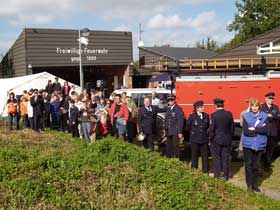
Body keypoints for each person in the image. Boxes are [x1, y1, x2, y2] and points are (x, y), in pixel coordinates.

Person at [242, 98, 269, 192]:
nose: (254, 108)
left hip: (260, 144)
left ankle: (255, 185)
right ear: (250, 106)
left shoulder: (264, 116)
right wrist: (259, 129)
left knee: (256, 165)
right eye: (252, 106)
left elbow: (266, 130)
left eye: (256, 106)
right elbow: (246, 132)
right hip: (248, 144)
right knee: (249, 164)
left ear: (259, 107)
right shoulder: (246, 116)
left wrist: (255, 129)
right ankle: (249, 185)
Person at [209, 98, 234, 180]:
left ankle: (217, 175)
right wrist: (230, 137)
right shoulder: (229, 114)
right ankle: (226, 176)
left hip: (216, 139)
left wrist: (210, 138)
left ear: (215, 105)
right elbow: (232, 128)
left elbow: (212, 128)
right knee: (225, 157)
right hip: (227, 139)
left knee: (216, 157)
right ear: (223, 105)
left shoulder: (214, 115)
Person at [186, 100, 210, 173]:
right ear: (197, 108)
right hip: (195, 139)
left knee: (205, 155)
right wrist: (193, 133)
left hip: (204, 138)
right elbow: (188, 126)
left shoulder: (206, 115)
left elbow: (208, 126)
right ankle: (194, 170)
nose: (203, 108)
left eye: (203, 107)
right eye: (202, 107)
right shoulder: (192, 116)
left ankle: (205, 170)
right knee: (194, 155)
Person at [260, 92, 280, 172]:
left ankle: (267, 165)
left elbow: (278, 116)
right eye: (270, 98)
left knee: (270, 149)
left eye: (272, 99)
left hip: (273, 132)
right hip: (264, 131)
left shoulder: (276, 107)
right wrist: (269, 115)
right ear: (266, 99)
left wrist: (271, 115)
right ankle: (261, 164)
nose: (271, 100)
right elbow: (260, 116)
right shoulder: (262, 107)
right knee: (262, 149)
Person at [164, 94, 185, 158]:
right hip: (168, 130)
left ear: (174, 100)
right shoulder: (168, 108)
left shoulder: (178, 108)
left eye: (172, 100)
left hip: (175, 130)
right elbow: (167, 120)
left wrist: (180, 132)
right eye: (169, 100)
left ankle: (176, 159)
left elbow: (180, 121)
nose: (170, 101)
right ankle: (169, 159)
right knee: (169, 146)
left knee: (176, 146)